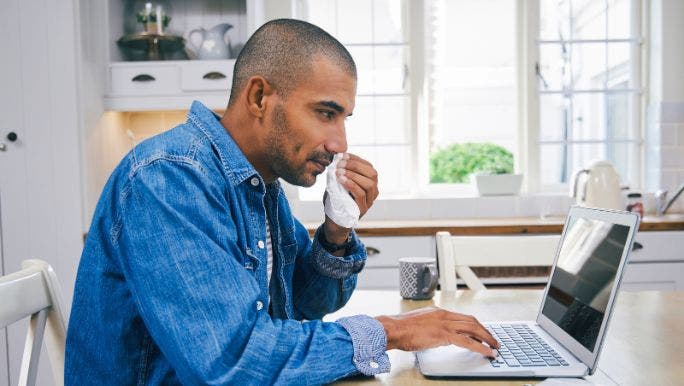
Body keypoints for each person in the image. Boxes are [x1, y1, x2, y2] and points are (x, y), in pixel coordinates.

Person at [65, 19, 499, 385]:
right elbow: (232, 362)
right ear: (259, 98)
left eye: (344, 118)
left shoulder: (259, 183)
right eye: (325, 113)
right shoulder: (169, 179)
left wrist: (336, 230)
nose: (339, 142)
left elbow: (303, 303)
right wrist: (391, 331)